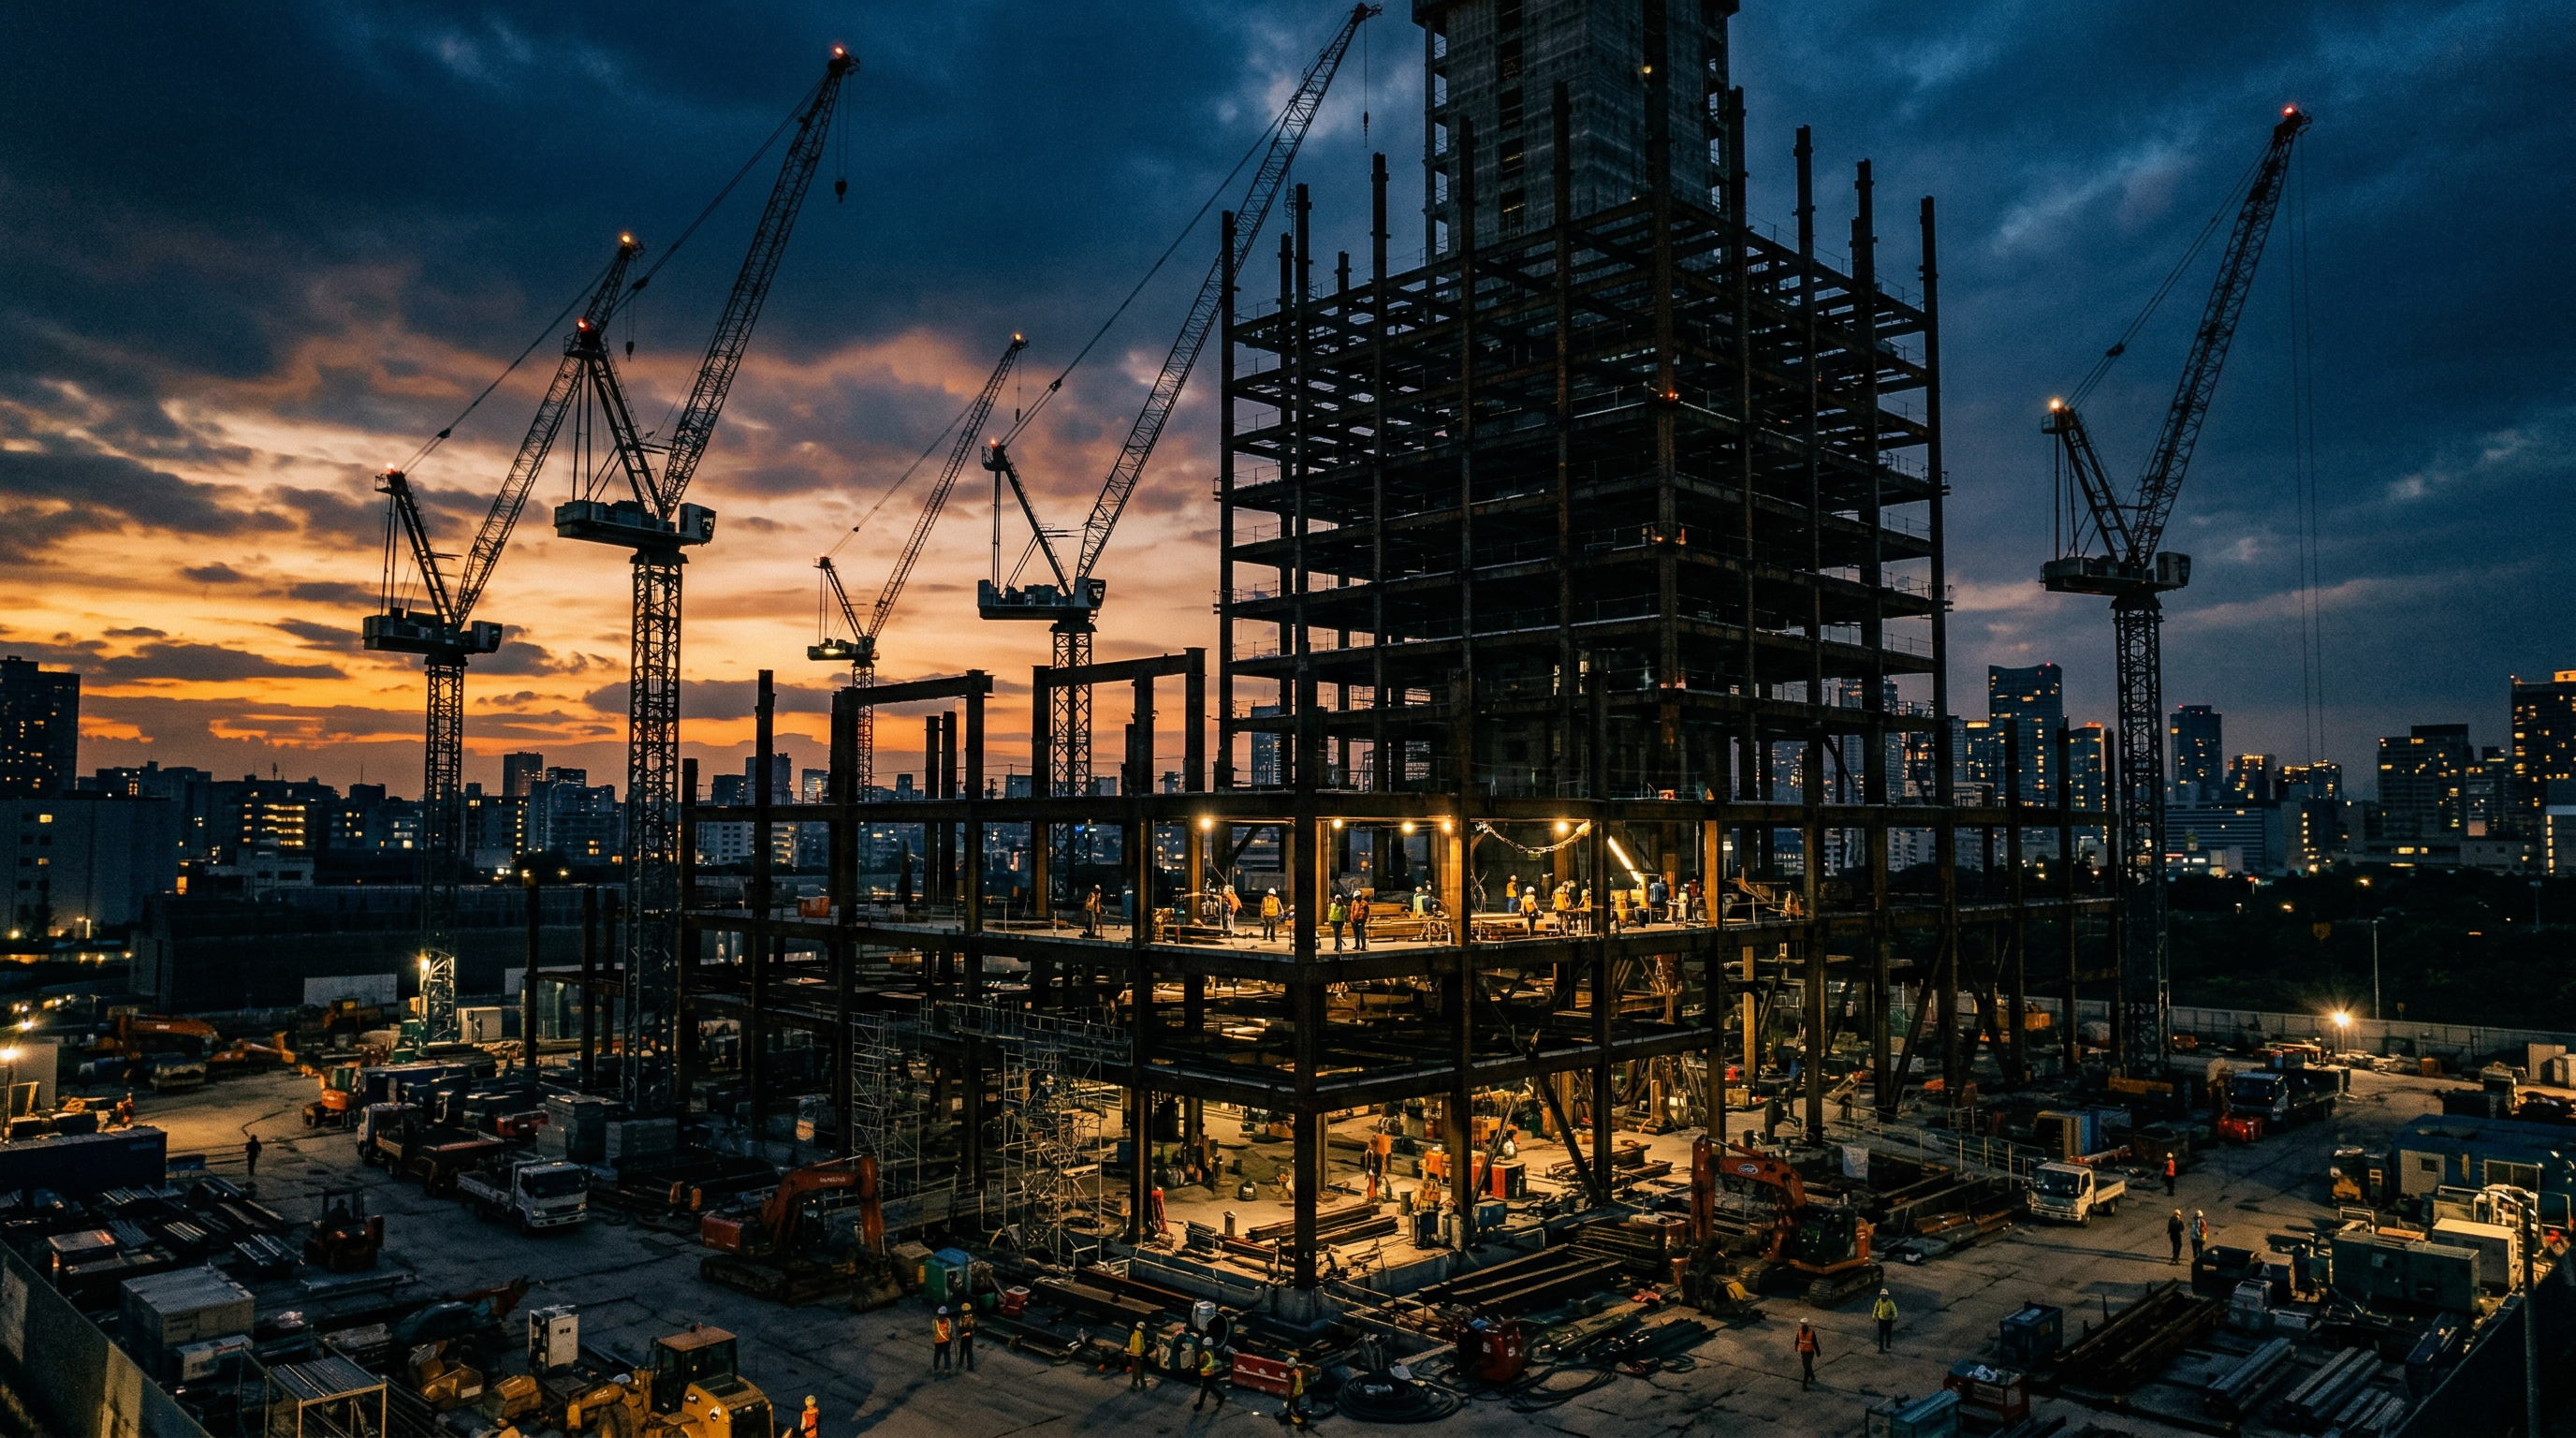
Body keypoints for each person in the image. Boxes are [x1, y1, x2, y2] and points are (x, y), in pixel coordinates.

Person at [1193, 1343, 1228, 1410]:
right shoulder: (1210, 1351)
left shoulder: (1206, 1353)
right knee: (1209, 1388)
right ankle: (1221, 1397)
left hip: (1207, 1373)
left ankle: (1200, 1405)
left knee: (1205, 1389)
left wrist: (1200, 1368)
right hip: (1209, 1373)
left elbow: (1205, 1363)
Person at [1279, 1358, 1310, 1427]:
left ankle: (1288, 1416)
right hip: (1299, 1391)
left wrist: (1289, 1393)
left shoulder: (1292, 1375)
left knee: (1290, 1404)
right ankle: (1297, 1413)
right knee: (1296, 1404)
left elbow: (1292, 1386)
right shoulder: (1298, 1371)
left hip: (1294, 1393)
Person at [1795, 1319, 1820, 1390]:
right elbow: (1797, 1340)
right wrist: (1818, 1352)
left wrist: (1818, 1351)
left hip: (1809, 1352)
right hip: (1804, 1352)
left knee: (1807, 1368)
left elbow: (1815, 1342)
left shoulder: (1810, 1333)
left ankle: (1804, 1385)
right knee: (1807, 1366)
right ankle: (1812, 1376)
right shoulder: (1801, 1332)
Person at [1873, 1288, 1898, 1352]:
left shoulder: (1890, 1303)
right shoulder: (1879, 1302)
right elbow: (1876, 1309)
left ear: (1887, 1296)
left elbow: (1894, 1310)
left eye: (1885, 1295)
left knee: (1888, 1334)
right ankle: (1881, 1348)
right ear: (1880, 1295)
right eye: (1882, 1295)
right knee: (1881, 1335)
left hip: (1888, 1320)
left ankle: (1888, 1346)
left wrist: (1895, 1317)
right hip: (1881, 1320)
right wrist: (1874, 1316)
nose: (1884, 1296)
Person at [1128, 1320, 1150, 1387]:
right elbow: (1143, 1345)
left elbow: (1131, 1344)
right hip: (1140, 1355)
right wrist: (1144, 1351)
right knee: (1140, 1369)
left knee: (1135, 1369)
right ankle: (1143, 1384)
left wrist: (1130, 1351)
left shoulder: (1133, 1334)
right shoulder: (1141, 1335)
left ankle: (1134, 1383)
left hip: (1133, 1354)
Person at [956, 1302, 977, 1372]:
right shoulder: (973, 1318)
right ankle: (970, 1366)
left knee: (962, 1350)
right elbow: (975, 1327)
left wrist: (960, 1334)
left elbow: (960, 1328)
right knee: (969, 1352)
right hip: (970, 1337)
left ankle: (961, 1362)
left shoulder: (961, 1318)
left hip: (964, 1337)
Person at [932, 1308, 954, 1374]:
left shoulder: (935, 1321)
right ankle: (947, 1369)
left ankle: (935, 1368)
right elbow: (949, 1330)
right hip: (946, 1340)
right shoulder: (948, 1321)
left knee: (937, 1355)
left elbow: (934, 1330)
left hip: (938, 1341)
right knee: (947, 1355)